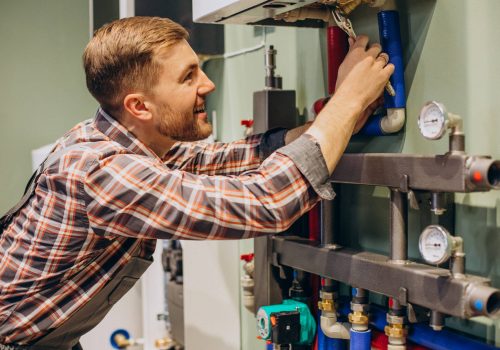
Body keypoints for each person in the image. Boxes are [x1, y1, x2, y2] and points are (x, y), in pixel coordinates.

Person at [0, 16, 392, 349]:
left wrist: (333, 123)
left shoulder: (120, 139)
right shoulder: (102, 171)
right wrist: (347, 102)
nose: (208, 84)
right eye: (189, 77)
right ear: (139, 106)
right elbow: (265, 203)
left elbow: (215, 161)